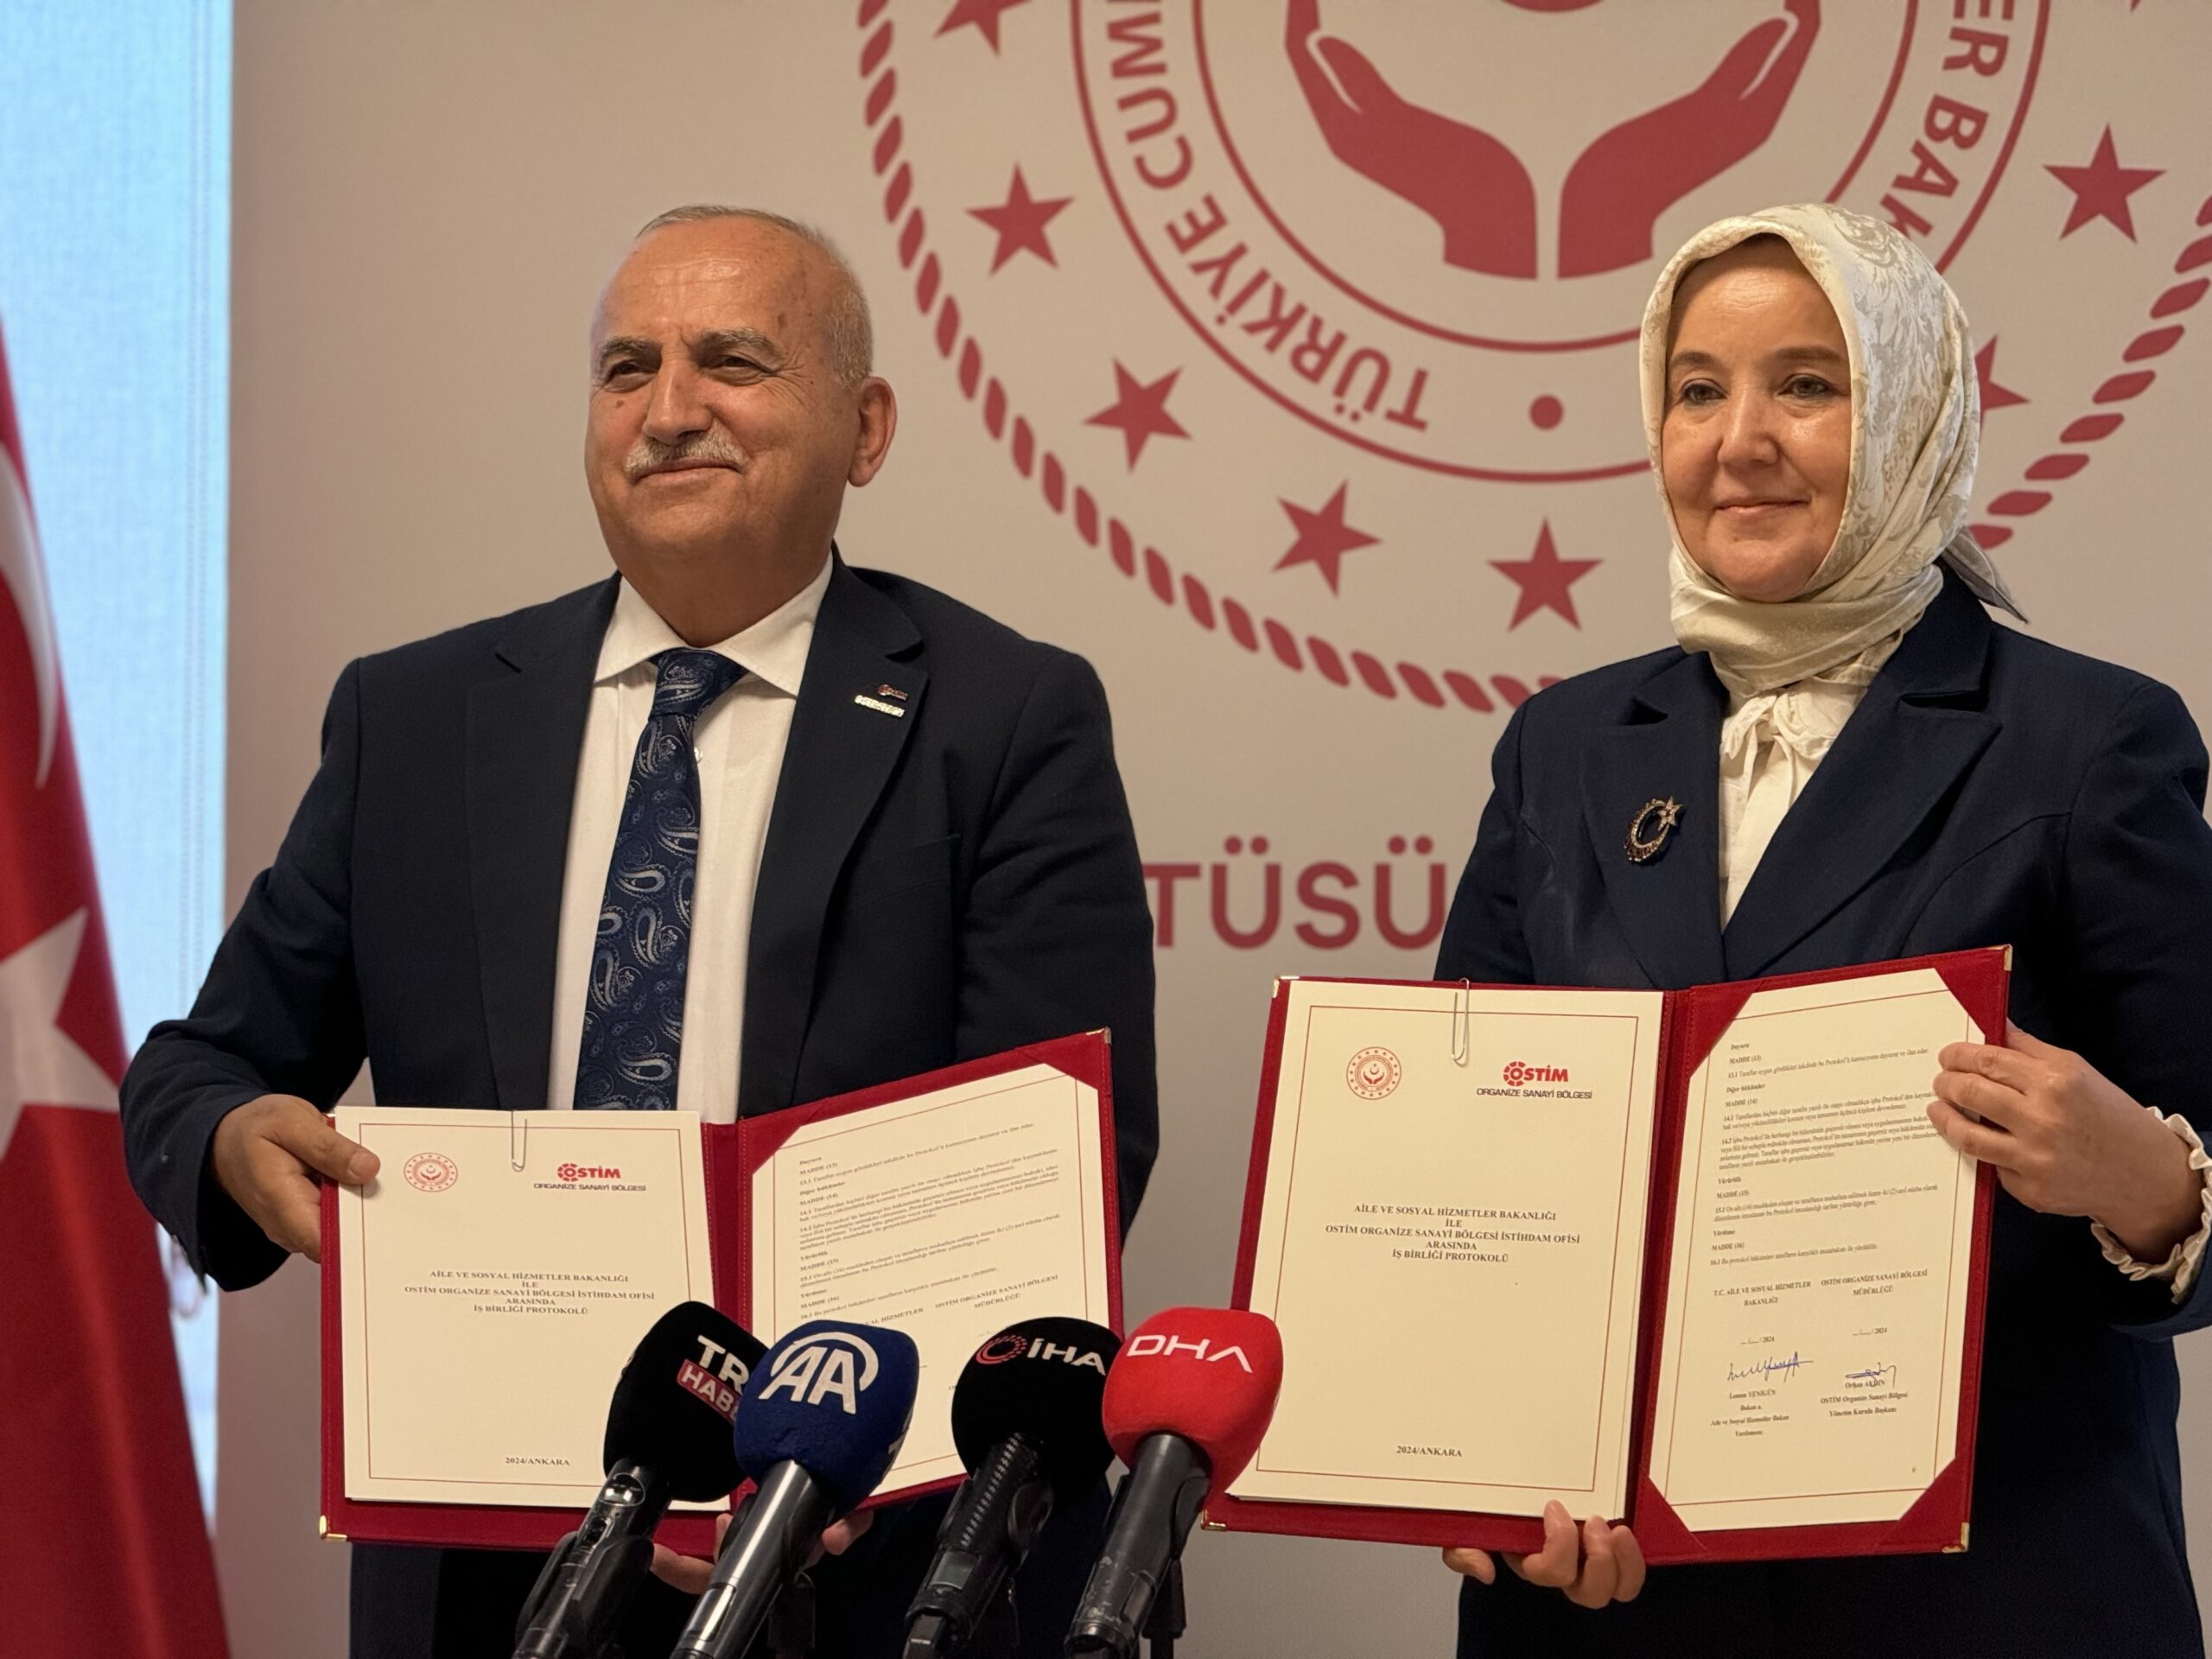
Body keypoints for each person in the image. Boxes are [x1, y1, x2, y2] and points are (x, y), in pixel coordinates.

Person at [118, 206, 1158, 1659]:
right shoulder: (415, 720)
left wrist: (822, 1451)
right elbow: (197, 1071)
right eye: (627, 370)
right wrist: (231, 1140)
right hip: (483, 1553)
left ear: (865, 430)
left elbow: (1057, 1157)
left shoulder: (1004, 719)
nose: (669, 411)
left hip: (854, 1555)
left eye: (732, 362)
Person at [1433, 202, 2212, 1655]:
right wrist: (1474, 1468)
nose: (1740, 440)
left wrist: (2153, 1184)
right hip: (1618, 1601)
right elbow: (1467, 1177)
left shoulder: (2092, 740)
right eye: (1697, 390)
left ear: (1915, 411)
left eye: (1807, 384)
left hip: (1985, 1598)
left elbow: (2203, 1169)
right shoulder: (1562, 745)